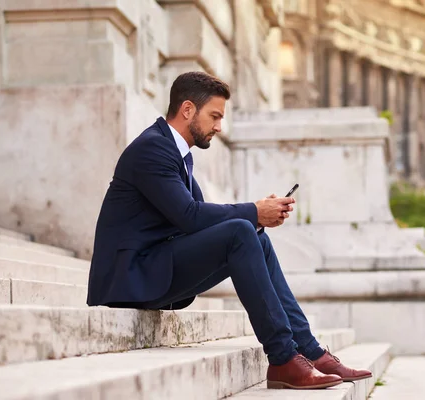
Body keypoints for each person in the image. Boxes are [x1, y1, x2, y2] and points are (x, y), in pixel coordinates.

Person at [86, 71, 372, 390]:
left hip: (154, 265)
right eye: (215, 116)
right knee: (240, 231)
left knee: (253, 236)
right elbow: (191, 217)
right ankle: (282, 357)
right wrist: (253, 211)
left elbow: (197, 222)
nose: (219, 127)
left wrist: (259, 215)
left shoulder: (176, 153)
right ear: (188, 110)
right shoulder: (152, 149)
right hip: (130, 277)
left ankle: (311, 352)